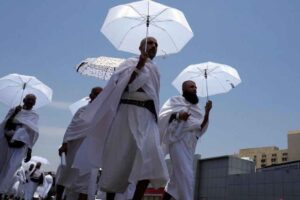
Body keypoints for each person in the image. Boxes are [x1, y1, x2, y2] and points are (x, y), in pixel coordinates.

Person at [72, 37, 168, 200]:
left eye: (156, 44)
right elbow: (122, 85)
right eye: (150, 43)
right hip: (127, 112)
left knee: (151, 158)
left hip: (148, 118)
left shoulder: (156, 70)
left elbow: (154, 96)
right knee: (119, 158)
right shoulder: (129, 63)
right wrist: (138, 67)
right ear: (140, 47)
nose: (154, 46)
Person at [158, 80, 212, 200]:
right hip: (177, 141)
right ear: (184, 89)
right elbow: (163, 117)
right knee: (187, 175)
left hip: (190, 145)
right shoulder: (175, 101)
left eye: (195, 87)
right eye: (191, 87)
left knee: (175, 181)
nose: (195, 89)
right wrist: (178, 116)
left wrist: (207, 112)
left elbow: (200, 127)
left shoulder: (197, 109)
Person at [55, 87, 103, 200]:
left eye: (100, 95)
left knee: (86, 180)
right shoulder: (81, 110)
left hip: (90, 148)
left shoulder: (103, 112)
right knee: (65, 173)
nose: (97, 96)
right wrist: (64, 143)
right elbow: (71, 127)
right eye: (95, 94)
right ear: (90, 95)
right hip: (74, 146)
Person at [0, 94, 39, 198]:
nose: (30, 102)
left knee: (12, 168)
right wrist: (15, 114)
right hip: (7, 141)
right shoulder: (15, 109)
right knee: (2, 164)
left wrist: (30, 150)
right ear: (24, 100)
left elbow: (33, 133)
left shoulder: (34, 115)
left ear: (34, 103)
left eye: (32, 101)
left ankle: (1, 191)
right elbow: (6, 124)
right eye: (29, 100)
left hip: (21, 144)